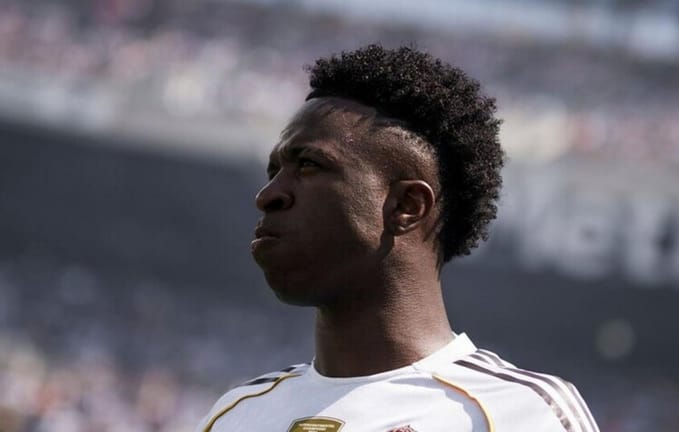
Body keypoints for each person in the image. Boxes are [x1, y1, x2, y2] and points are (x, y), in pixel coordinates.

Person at [197, 44, 599, 432]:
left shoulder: (518, 414)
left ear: (407, 205)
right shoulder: (236, 414)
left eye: (308, 165)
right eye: (273, 172)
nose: (268, 195)